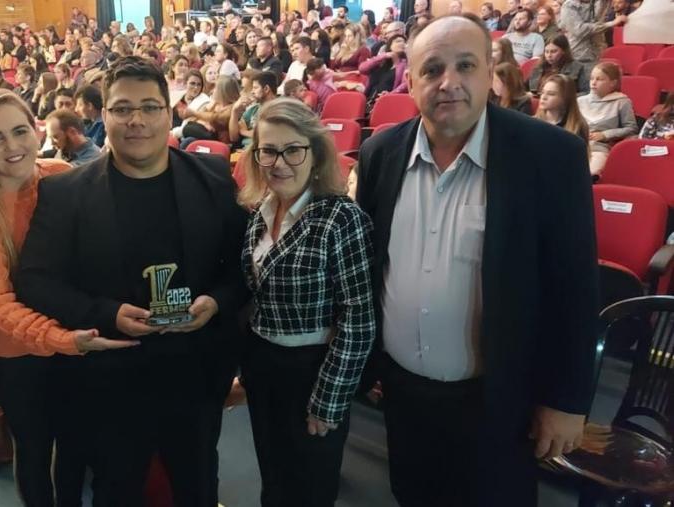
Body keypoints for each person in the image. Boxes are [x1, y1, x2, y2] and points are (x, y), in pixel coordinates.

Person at [356, 14, 598, 507]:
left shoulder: (551, 155)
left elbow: (574, 287)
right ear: (411, 80)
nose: (448, 82)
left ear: (491, 72)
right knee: (412, 496)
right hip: (403, 394)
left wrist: (566, 400)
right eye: (432, 69)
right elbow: (369, 269)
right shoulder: (380, 153)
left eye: (465, 65)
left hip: (500, 398)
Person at [15, 55, 248, 507]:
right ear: (103, 116)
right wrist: (106, 314)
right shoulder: (64, 193)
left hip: (194, 374)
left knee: (198, 487)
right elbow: (35, 281)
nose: (135, 120)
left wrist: (217, 303)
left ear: (169, 113)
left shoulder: (214, 180)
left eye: (149, 107)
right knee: (115, 491)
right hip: (108, 380)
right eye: (122, 108)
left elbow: (241, 269)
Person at [0, 89, 132, 506]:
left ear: (36, 130)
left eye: (19, 131)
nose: (12, 146)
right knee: (34, 451)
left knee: (76, 441)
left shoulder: (59, 174)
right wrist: (61, 339)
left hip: (75, 338)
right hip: (21, 355)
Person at [239, 97, 375, 507]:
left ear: (315, 154)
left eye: (292, 150)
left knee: (310, 489)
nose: (279, 162)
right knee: (273, 479)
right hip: (263, 367)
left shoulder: (341, 218)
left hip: (312, 372)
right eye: (268, 150)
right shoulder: (259, 212)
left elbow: (358, 320)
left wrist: (329, 399)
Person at [577, 62, 638, 175]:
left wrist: (605, 134)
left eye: (599, 79)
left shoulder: (622, 102)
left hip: (599, 148)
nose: (593, 83)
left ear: (613, 83)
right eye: (592, 78)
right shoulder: (580, 101)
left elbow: (631, 128)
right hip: (577, 145)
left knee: (589, 173)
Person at [559, 0, 626, 71]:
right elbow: (580, 30)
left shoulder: (594, 3)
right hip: (579, 55)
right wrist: (611, 23)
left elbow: (597, 21)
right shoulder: (569, 5)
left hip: (596, 54)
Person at [536, 75, 591, 143]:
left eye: (551, 94)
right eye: (542, 92)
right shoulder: (533, 122)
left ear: (565, 98)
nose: (543, 97)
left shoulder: (578, 126)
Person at [231, 71, 278, 148]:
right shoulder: (254, 108)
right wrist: (235, 111)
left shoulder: (278, 109)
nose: (252, 92)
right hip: (243, 150)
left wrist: (244, 131)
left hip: (262, 150)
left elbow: (267, 135)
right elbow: (233, 137)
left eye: (255, 88)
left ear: (266, 89)